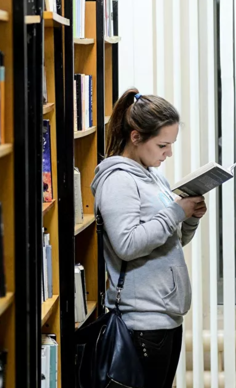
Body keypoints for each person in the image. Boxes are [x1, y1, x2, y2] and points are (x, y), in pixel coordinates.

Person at [90, 89, 206, 388]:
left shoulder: (154, 176)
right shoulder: (118, 180)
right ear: (136, 137)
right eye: (162, 145)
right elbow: (127, 245)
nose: (168, 153)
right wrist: (175, 212)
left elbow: (168, 242)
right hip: (142, 321)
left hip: (166, 317)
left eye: (171, 145)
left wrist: (189, 217)